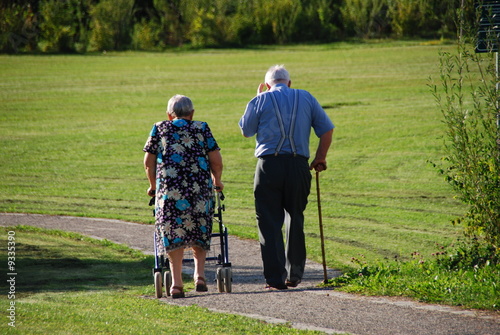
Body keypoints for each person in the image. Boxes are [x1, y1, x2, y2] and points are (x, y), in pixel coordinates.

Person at [239, 65, 334, 290]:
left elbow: (246, 130)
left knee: (269, 222)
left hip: (269, 165)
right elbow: (327, 130)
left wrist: (257, 97)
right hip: (298, 165)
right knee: (295, 217)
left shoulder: (260, 100)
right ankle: (295, 274)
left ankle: (275, 279)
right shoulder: (306, 97)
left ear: (267, 85)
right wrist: (320, 158)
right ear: (289, 83)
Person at [143, 94, 224, 298]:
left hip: (170, 192)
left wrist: (152, 186)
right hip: (199, 191)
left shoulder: (160, 128)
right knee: (199, 227)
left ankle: (177, 284)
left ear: (169, 115)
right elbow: (216, 161)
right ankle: (199, 276)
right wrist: (218, 181)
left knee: (173, 232)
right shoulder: (201, 128)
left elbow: (148, 162)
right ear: (192, 113)